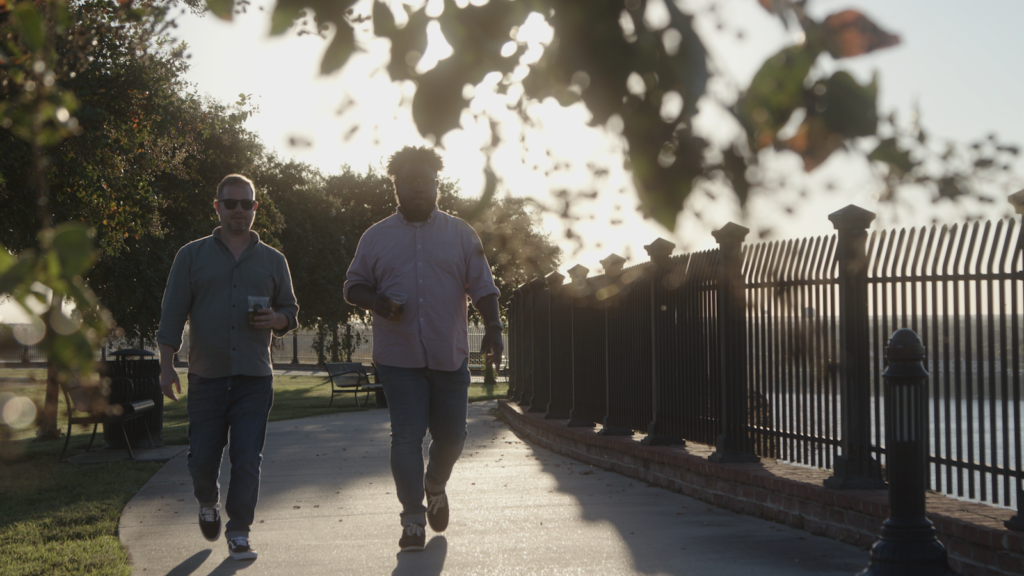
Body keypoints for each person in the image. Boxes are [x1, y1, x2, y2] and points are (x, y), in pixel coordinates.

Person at [344, 146, 504, 552]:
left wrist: (494, 327)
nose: (417, 188)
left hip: (449, 353)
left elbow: (483, 286)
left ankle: (436, 485)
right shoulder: (376, 236)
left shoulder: (461, 233)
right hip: (399, 358)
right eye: (407, 182)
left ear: (438, 184)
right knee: (405, 437)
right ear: (395, 187)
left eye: (425, 181)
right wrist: (374, 300)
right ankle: (412, 518)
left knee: (452, 437)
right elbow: (353, 285)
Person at [157, 174, 298, 561]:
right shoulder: (191, 255)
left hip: (255, 376)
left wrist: (278, 320)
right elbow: (172, 314)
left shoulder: (273, 260)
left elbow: (291, 310)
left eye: (246, 204)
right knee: (202, 458)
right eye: (231, 203)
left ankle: (239, 530)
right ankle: (207, 500)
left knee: (247, 458)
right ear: (217, 207)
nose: (239, 210)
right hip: (207, 375)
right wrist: (166, 367)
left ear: (255, 209)